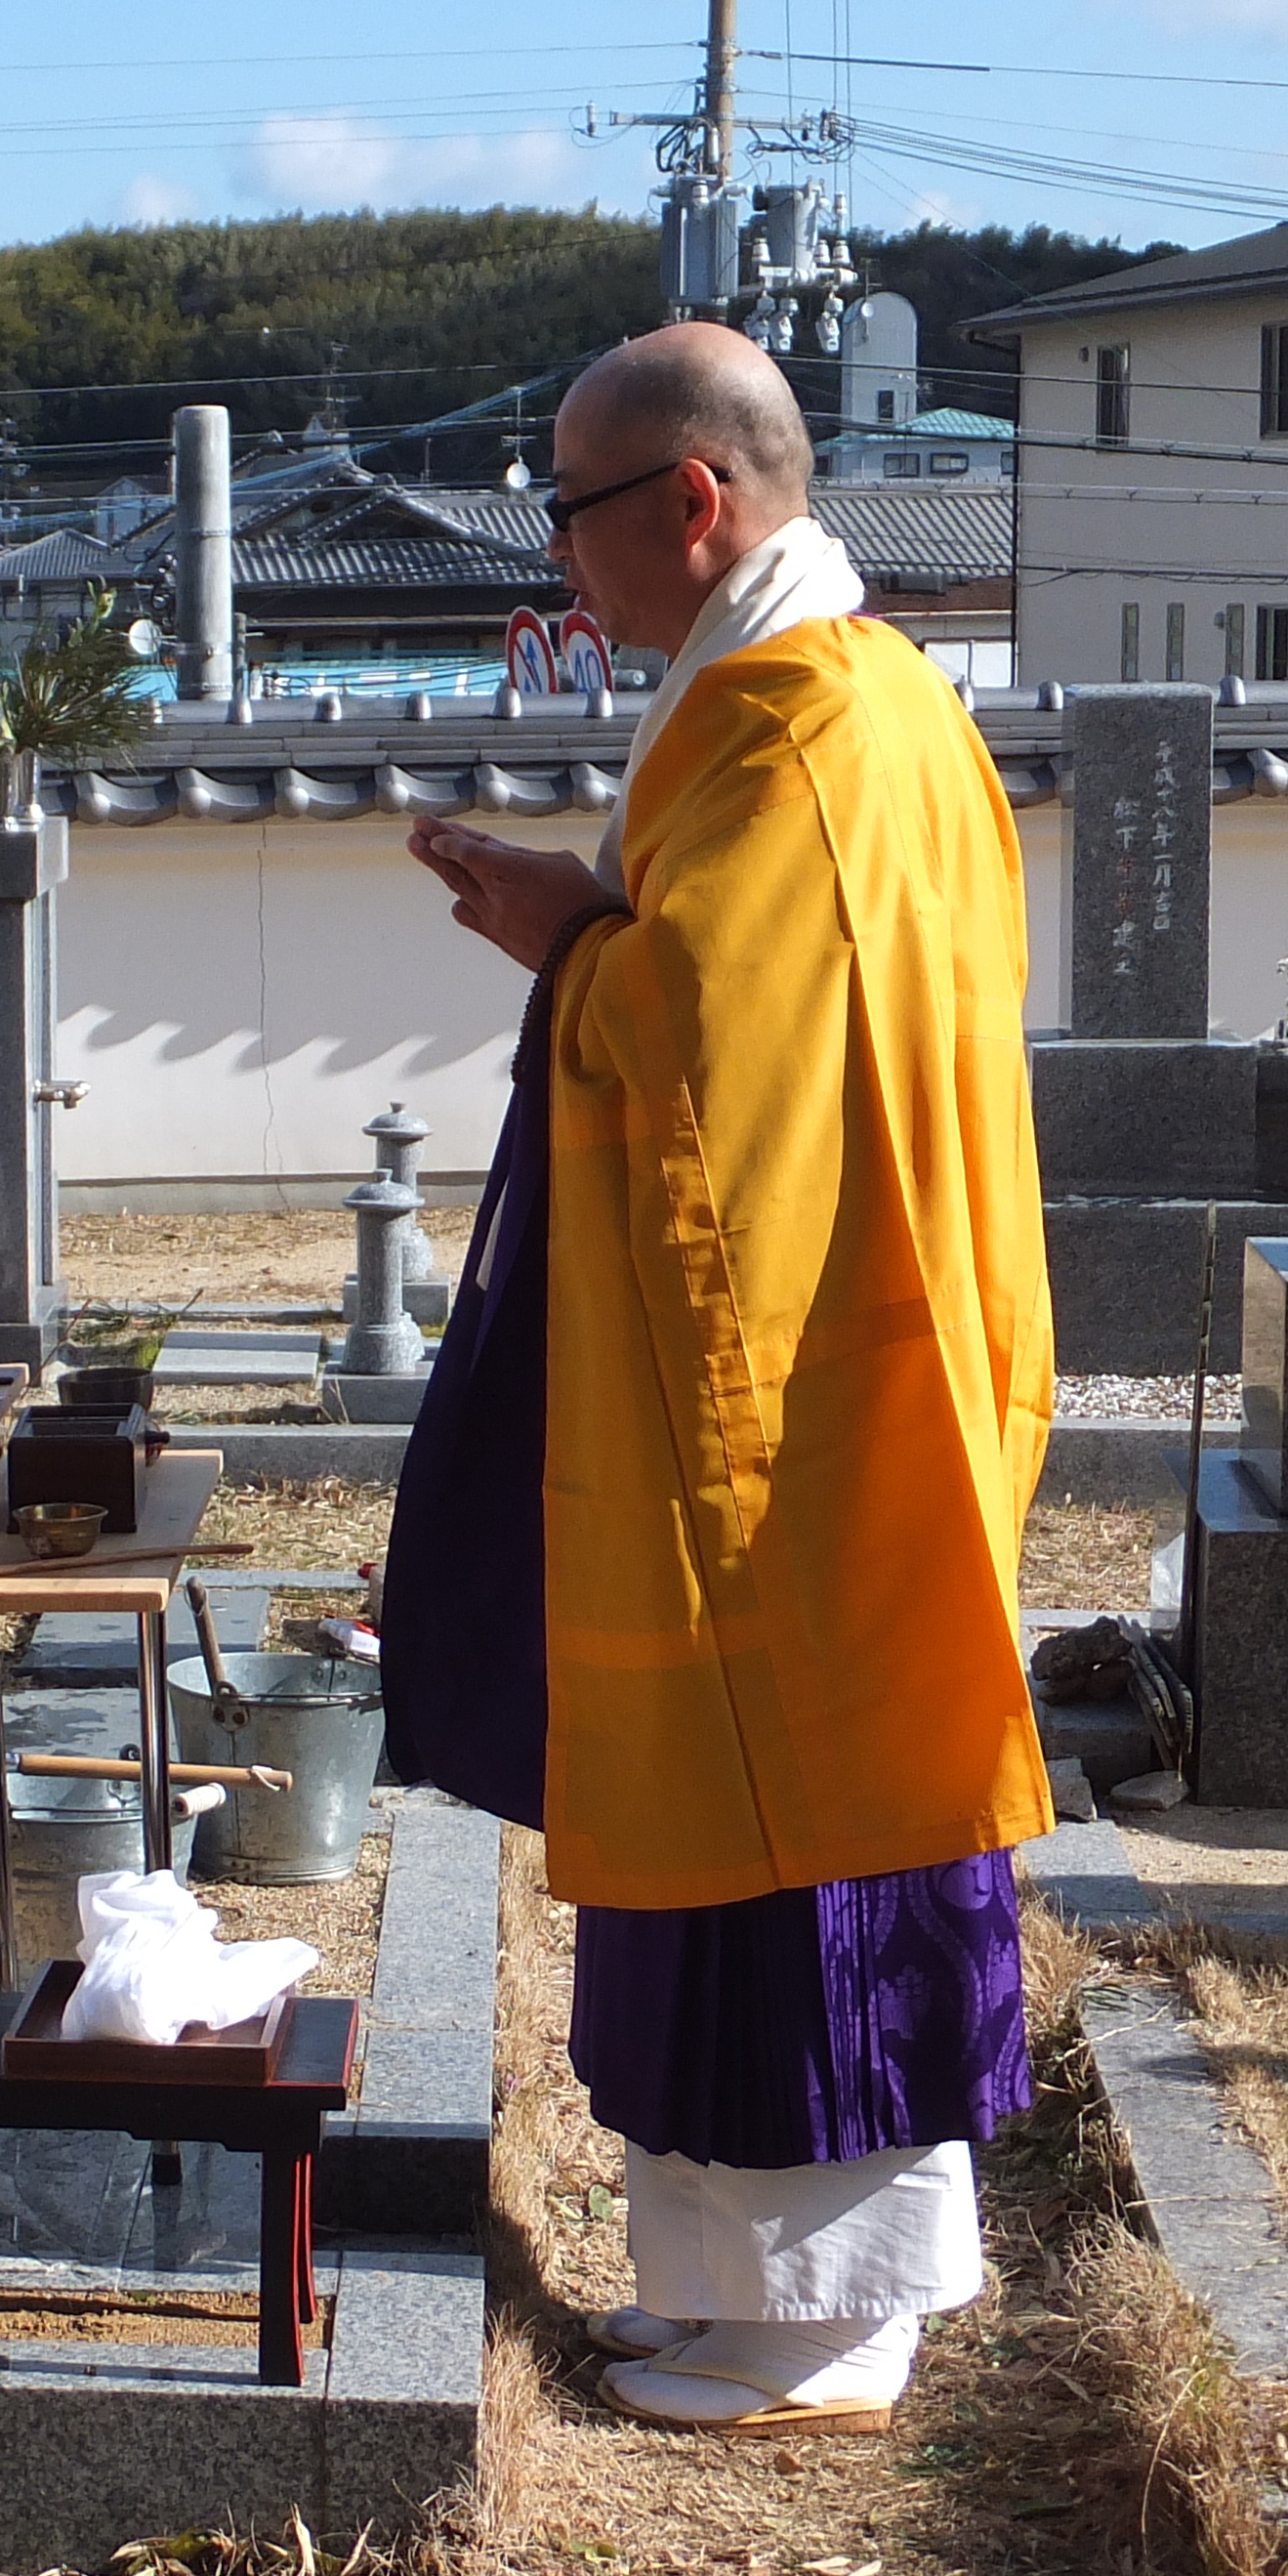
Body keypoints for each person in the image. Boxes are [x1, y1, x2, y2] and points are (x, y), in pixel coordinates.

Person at [384, 323, 1054, 2438]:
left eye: (575, 514)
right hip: (800, 1362)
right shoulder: (828, 706)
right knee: (722, 1829)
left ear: (696, 501)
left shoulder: (807, 729)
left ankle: (832, 2324)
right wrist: (583, 929)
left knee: (806, 1832)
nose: (559, 559)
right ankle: (731, 2288)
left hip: (805, 1404)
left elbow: (715, 1059)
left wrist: (570, 946)